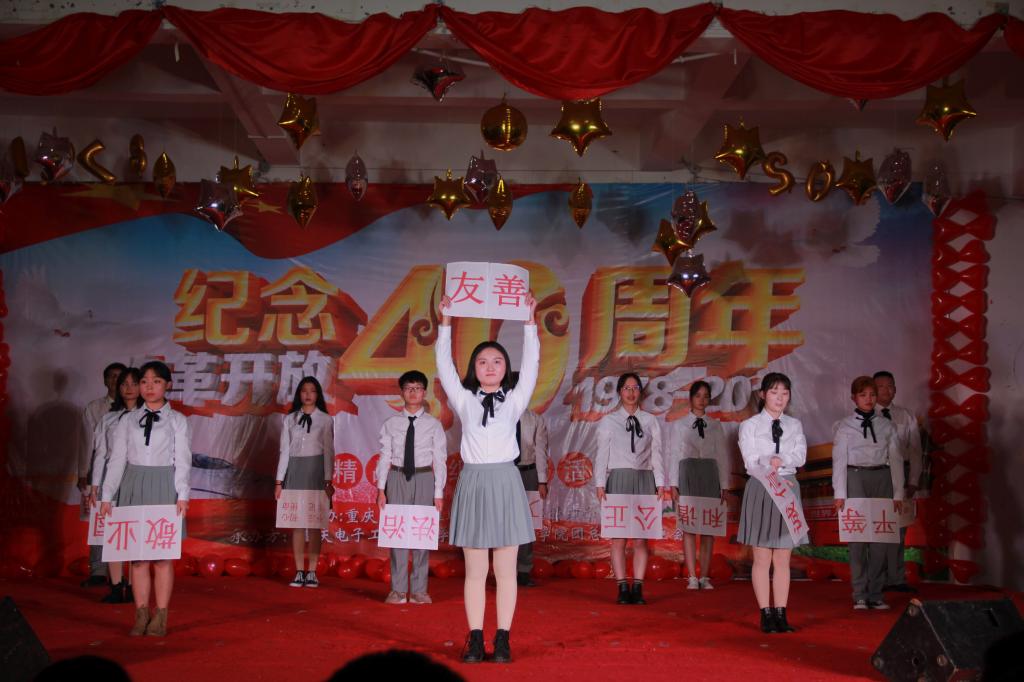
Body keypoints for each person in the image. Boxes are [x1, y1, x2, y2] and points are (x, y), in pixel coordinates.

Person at [435, 291, 538, 664]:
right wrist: (446, 323)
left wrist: (529, 323)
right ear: (474, 368)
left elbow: (533, 364)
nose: (490, 366)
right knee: (476, 571)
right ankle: (476, 639)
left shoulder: (515, 400)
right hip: (475, 483)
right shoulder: (464, 400)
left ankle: (503, 638)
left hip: (506, 482)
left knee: (506, 570)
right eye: (482, 361)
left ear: (505, 367)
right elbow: (443, 365)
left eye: (497, 361)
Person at [100, 361, 190, 637]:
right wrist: (107, 495)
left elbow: (183, 460)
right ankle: (140, 614)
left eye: (156, 381)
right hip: (133, 484)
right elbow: (117, 459)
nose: (149, 387)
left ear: (168, 385)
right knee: (137, 558)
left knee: (162, 557)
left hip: (163, 485)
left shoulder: (177, 420)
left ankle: (160, 615)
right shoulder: (127, 420)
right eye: (145, 381)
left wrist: (182, 494)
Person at [737, 372, 807, 634]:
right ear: (763, 394)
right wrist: (771, 462)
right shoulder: (750, 425)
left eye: (785, 393)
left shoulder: (795, 425)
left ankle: (781, 613)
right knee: (762, 556)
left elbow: (800, 455)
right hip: (762, 486)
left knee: (783, 556)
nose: (780, 398)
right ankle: (765, 613)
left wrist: (783, 460)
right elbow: (750, 460)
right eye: (774, 392)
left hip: (788, 487)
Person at [594, 373, 667, 606]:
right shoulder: (609, 421)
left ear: (640, 392)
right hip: (619, 479)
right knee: (618, 538)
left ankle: (638, 586)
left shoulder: (650, 420)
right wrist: (600, 483)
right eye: (627, 388)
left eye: (635, 388)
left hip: (644, 479)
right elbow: (601, 453)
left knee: (641, 539)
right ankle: (622, 587)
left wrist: (660, 482)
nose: (631, 392)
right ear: (619, 392)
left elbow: (657, 453)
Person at [833, 376, 904, 611]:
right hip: (855, 476)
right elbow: (839, 460)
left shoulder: (886, 425)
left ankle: (876, 593)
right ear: (854, 398)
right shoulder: (845, 426)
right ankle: (859, 593)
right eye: (863, 395)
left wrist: (898, 494)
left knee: (880, 538)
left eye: (872, 395)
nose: (868, 399)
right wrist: (839, 493)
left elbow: (896, 460)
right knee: (857, 538)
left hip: (882, 476)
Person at [375, 370, 446, 605]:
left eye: (417, 388)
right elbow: (384, 456)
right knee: (397, 533)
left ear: (424, 393)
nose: (413, 392)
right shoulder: (391, 424)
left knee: (422, 534)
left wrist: (438, 492)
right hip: (397, 476)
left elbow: (440, 459)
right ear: (402, 393)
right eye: (408, 388)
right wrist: (381, 489)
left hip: (425, 477)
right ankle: (397, 590)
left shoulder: (434, 425)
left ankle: (419, 590)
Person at [275, 376, 335, 589]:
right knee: (298, 524)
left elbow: (329, 452)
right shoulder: (290, 419)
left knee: (315, 523)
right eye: (304, 390)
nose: (308, 394)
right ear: (299, 394)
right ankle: (299, 571)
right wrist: (279, 481)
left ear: (317, 395)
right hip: (294, 470)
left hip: (316, 471)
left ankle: (312, 572)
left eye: (312, 390)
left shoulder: (325, 420)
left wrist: (328, 479)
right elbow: (284, 451)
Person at [90, 367, 143, 604]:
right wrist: (95, 485)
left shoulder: (148, 417)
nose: (128, 388)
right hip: (111, 480)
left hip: (136, 478)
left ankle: (133, 585)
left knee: (134, 533)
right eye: (124, 384)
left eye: (134, 383)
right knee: (113, 532)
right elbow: (101, 454)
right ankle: (115, 585)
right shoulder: (109, 419)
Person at [669, 380, 728, 590]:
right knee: (689, 526)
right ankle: (692, 577)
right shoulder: (679, 424)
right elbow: (673, 454)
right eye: (698, 396)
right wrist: (673, 483)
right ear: (691, 398)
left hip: (710, 473)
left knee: (708, 528)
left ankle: (704, 576)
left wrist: (724, 484)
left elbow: (722, 455)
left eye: (706, 396)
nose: (702, 400)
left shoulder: (715, 425)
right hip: (687, 472)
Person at [873, 370, 923, 593]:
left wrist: (913, 480)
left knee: (899, 529)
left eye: (890, 385)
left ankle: (896, 578)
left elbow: (915, 451)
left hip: (900, 475)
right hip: (874, 475)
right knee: (877, 529)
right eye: (881, 386)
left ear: (895, 389)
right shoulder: (865, 415)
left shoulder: (905, 415)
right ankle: (876, 579)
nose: (886, 390)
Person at [80, 361, 126, 587]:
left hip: (127, 471)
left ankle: (122, 573)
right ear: (105, 380)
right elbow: (87, 443)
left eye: (121, 377)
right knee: (99, 520)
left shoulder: (138, 409)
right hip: (100, 469)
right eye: (112, 376)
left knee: (123, 520)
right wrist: (84, 472)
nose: (116, 381)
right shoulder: (95, 408)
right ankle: (98, 570)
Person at [510, 372, 549, 588]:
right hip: (505, 473)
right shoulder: (497, 419)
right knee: (503, 522)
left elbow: (541, 451)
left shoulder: (535, 419)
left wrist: (542, 481)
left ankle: (523, 569)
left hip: (528, 473)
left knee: (526, 524)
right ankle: (504, 569)